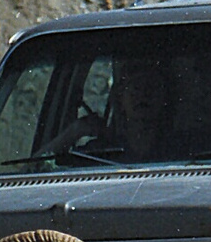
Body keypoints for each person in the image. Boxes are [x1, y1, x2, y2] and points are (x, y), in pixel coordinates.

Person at [37, 58, 169, 163]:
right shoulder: (97, 153)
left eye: (151, 87)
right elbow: (34, 168)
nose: (143, 96)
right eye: (136, 89)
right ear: (121, 98)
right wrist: (74, 131)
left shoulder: (182, 150)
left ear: (165, 97)